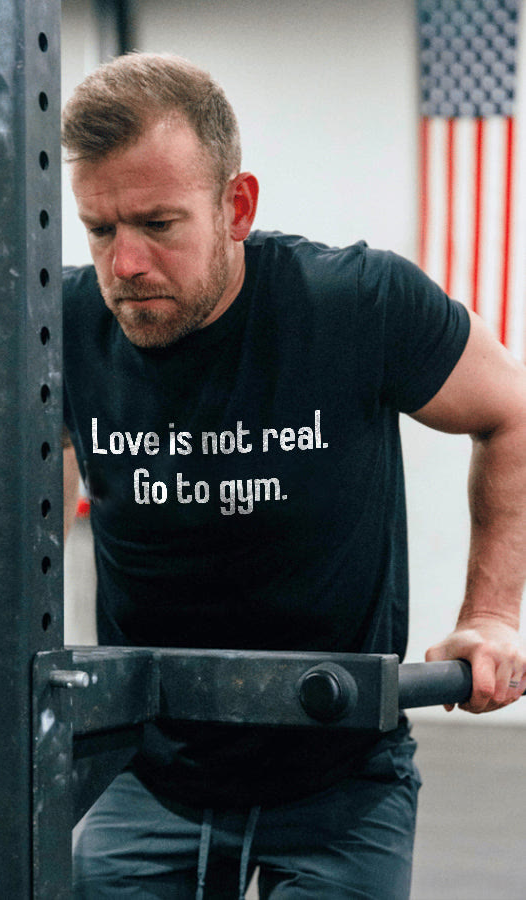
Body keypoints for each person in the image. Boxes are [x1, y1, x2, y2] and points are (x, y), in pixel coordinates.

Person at [61, 52, 526, 899]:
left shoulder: (354, 303)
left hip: (339, 780)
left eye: (158, 224)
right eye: (99, 229)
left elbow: (513, 412)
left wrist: (490, 616)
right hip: (147, 773)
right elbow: (30, 480)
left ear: (235, 207)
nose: (123, 264)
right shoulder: (61, 327)